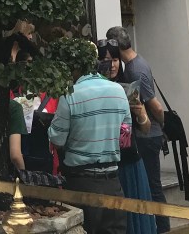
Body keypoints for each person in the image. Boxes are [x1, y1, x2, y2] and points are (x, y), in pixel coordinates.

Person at [49, 45, 130, 234]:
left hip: (81, 182)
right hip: (113, 183)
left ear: (75, 69)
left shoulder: (70, 94)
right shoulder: (119, 91)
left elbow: (57, 139)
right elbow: (125, 139)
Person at [106, 27, 169, 234]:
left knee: (152, 187)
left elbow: (155, 106)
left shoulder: (135, 70)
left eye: (114, 58)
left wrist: (161, 125)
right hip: (138, 139)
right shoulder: (133, 66)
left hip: (145, 137)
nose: (112, 64)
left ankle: (162, 227)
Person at [99, 41, 156, 234]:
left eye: (115, 59)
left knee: (136, 217)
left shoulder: (129, 88)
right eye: (106, 60)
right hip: (105, 165)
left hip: (130, 161)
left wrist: (140, 113)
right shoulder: (96, 90)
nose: (112, 65)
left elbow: (146, 128)